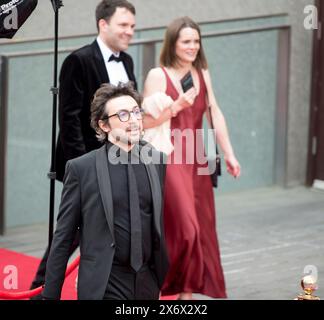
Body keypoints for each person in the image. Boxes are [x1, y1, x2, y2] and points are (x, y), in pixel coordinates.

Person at [30, 0, 137, 293]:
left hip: (123, 162)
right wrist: (87, 169)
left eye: (132, 26)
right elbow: (69, 120)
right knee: (69, 234)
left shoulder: (126, 61)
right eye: (124, 25)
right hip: (87, 167)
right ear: (103, 24)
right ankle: (40, 291)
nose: (130, 32)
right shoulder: (78, 60)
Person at [142, 16, 241, 300]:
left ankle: (187, 298)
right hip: (170, 156)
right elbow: (145, 123)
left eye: (196, 41)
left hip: (199, 157)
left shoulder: (202, 71)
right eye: (186, 41)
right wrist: (176, 105)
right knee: (186, 229)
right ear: (173, 44)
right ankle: (161, 289)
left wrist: (229, 153)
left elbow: (215, 112)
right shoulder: (157, 75)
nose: (193, 46)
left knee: (202, 230)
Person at [42, 83, 168, 300]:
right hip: (106, 281)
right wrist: (49, 295)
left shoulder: (156, 160)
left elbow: (155, 221)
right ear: (104, 125)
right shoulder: (82, 169)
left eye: (136, 112)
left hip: (148, 280)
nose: (134, 120)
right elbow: (63, 237)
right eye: (123, 115)